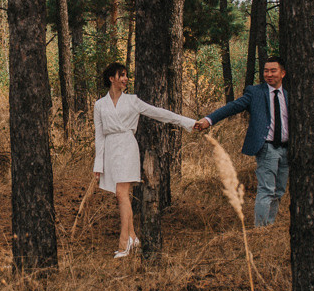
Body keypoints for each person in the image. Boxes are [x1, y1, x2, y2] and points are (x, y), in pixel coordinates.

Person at [92, 61, 199, 259]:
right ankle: (133, 236)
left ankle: (124, 243)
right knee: (120, 195)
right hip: (110, 151)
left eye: (126, 75)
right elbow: (99, 135)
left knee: (121, 193)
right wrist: (98, 163)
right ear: (111, 78)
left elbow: (159, 113)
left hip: (127, 146)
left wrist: (188, 123)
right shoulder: (100, 105)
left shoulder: (133, 101)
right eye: (121, 75)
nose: (125, 79)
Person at [189, 57, 292, 227]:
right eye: (266, 71)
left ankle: (270, 226)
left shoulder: (289, 95)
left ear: (283, 73)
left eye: (273, 70)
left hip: (286, 149)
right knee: (267, 189)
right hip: (267, 148)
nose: (269, 74)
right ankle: (261, 230)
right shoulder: (255, 92)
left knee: (279, 190)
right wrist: (209, 119)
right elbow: (233, 107)